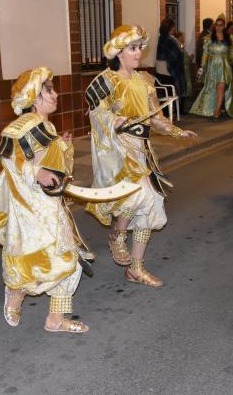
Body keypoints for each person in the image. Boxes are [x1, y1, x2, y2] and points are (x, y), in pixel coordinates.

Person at [0, 67, 92, 333]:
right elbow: (12, 161)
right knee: (31, 261)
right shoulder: (20, 127)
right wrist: (38, 172)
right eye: (48, 90)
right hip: (29, 210)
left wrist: (64, 147)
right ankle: (15, 291)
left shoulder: (48, 126)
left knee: (67, 260)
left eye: (53, 89)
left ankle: (55, 320)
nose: (55, 94)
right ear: (33, 96)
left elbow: (55, 169)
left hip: (49, 205)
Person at [84, 25, 197, 287]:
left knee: (152, 202)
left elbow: (156, 119)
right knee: (139, 193)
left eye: (139, 48)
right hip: (118, 149)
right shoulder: (106, 81)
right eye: (133, 48)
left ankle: (136, 268)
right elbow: (95, 114)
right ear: (119, 52)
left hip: (141, 149)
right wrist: (114, 119)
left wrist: (177, 132)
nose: (138, 53)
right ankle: (118, 236)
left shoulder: (145, 81)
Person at [190, 14, 233, 119]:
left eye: (221, 25)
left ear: (224, 26)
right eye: (217, 25)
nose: (219, 27)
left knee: (221, 87)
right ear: (214, 26)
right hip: (212, 66)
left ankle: (216, 111)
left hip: (224, 65)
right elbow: (205, 54)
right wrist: (201, 68)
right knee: (212, 89)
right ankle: (215, 109)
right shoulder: (208, 38)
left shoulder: (229, 38)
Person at [156, 18, 186, 107]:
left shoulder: (163, 37)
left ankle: (170, 110)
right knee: (170, 90)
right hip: (168, 68)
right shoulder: (168, 39)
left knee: (167, 90)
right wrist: (180, 49)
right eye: (173, 27)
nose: (174, 29)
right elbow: (176, 53)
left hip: (162, 68)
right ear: (170, 27)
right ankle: (170, 110)